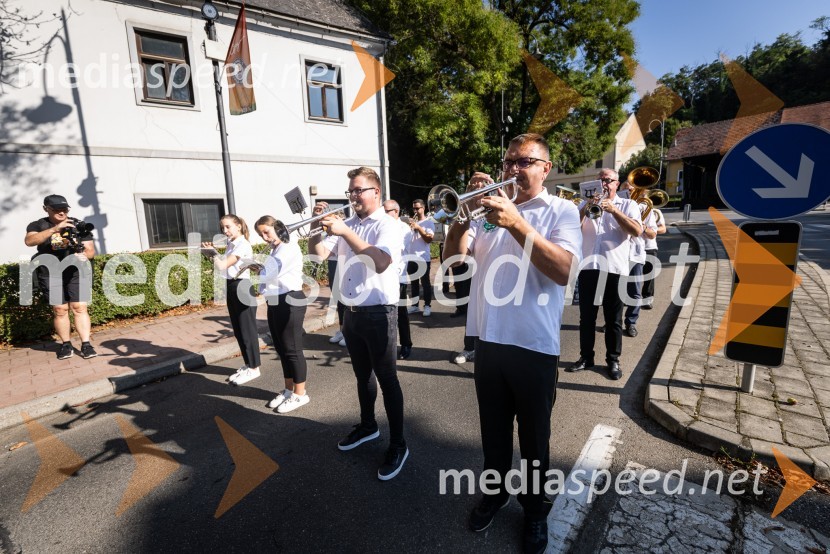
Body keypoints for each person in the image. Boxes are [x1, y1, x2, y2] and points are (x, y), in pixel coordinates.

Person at [443, 134, 582, 553]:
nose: (513, 169)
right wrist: (462, 217)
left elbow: (563, 270)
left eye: (525, 161)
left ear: (546, 167)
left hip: (534, 344)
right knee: (494, 432)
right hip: (488, 340)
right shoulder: (486, 215)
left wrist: (517, 223)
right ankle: (495, 492)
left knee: (535, 438)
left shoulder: (562, 210)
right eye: (508, 162)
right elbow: (453, 262)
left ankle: (535, 510)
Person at [309, 166, 409, 481]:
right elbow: (319, 254)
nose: (352, 196)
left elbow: (380, 262)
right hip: (351, 311)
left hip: (380, 312)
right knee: (361, 376)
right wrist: (315, 227)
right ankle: (368, 427)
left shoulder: (387, 225)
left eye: (358, 190)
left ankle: (398, 444)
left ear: (375, 192)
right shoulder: (348, 224)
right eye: (350, 190)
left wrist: (344, 232)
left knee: (388, 379)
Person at [567, 168, 642, 380]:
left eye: (608, 180)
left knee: (614, 319)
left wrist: (614, 211)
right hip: (589, 268)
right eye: (600, 180)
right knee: (587, 318)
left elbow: (637, 231)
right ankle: (586, 357)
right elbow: (572, 230)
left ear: (617, 183)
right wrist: (585, 208)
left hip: (614, 269)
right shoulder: (584, 205)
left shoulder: (628, 205)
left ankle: (613, 360)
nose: (604, 184)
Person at [24, 195, 97, 360]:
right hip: (50, 272)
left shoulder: (77, 224)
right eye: (56, 209)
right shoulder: (38, 225)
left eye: (64, 209)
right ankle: (66, 345)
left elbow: (90, 250)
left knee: (79, 307)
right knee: (60, 309)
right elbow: (29, 241)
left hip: (75, 271)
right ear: (46, 209)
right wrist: (54, 230)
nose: (61, 212)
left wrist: (84, 255)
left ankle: (86, 344)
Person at [253, 215, 310, 413]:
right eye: (261, 234)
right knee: (281, 347)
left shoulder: (289, 246)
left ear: (278, 228)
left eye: (266, 232)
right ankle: (288, 390)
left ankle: (300, 394)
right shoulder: (275, 249)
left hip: (291, 299)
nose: (265, 237)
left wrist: (259, 270)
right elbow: (265, 279)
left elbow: (272, 272)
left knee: (292, 348)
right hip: (275, 300)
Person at [201, 214, 261, 384]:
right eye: (222, 228)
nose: (224, 231)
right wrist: (211, 254)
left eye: (227, 227)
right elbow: (223, 268)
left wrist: (211, 253)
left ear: (238, 226)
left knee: (247, 330)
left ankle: (254, 368)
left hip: (241, 286)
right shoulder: (232, 244)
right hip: (232, 285)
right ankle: (248, 364)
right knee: (238, 329)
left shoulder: (242, 245)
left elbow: (222, 265)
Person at [619, 190, 659, 337]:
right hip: (616, 254)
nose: (631, 192)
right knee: (614, 291)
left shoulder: (646, 209)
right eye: (627, 189)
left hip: (634, 254)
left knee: (634, 292)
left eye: (633, 189)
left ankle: (631, 322)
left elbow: (653, 234)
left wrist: (641, 226)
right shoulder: (617, 205)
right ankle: (613, 322)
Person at [383, 199, 414, 360]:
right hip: (382, 276)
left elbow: (394, 250)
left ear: (396, 211)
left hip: (398, 276)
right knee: (384, 314)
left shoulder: (404, 228)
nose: (383, 212)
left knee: (400, 314)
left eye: (386, 210)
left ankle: (406, 344)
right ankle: (387, 346)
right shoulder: (382, 225)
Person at [406, 198, 435, 316]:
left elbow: (429, 239)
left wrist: (419, 228)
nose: (415, 210)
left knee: (425, 283)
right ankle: (414, 306)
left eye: (417, 208)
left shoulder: (429, 222)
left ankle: (427, 306)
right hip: (411, 257)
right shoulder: (411, 223)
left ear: (423, 208)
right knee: (413, 284)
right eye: (414, 208)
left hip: (423, 258)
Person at [641, 207, 667, 309]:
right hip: (632, 247)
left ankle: (647, 299)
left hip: (649, 246)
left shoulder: (655, 211)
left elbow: (663, 229)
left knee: (649, 275)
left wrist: (649, 229)